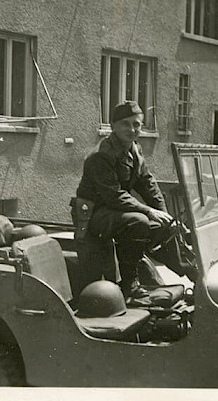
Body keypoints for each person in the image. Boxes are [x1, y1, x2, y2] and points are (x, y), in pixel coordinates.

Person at [74, 100, 173, 301]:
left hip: (114, 212)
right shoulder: (101, 155)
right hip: (93, 215)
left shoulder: (134, 149)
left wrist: (165, 214)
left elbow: (148, 183)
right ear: (113, 126)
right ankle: (129, 284)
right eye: (125, 124)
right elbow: (114, 195)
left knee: (164, 225)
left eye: (136, 124)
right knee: (139, 222)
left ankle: (191, 272)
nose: (132, 129)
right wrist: (149, 211)